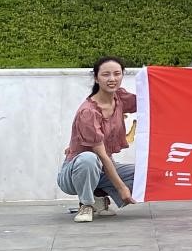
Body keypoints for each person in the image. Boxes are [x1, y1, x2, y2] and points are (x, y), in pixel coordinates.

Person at [57, 56, 138, 222]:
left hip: (102, 168)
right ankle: (86, 204)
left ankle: (98, 197)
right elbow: (101, 154)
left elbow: (149, 101)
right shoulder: (88, 112)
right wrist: (121, 188)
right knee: (89, 158)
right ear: (96, 78)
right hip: (75, 172)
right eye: (106, 74)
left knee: (143, 174)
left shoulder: (120, 98)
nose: (112, 79)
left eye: (117, 74)